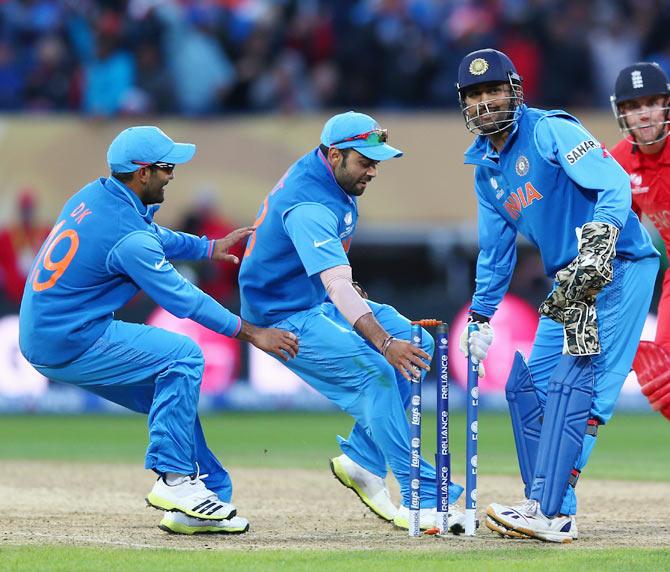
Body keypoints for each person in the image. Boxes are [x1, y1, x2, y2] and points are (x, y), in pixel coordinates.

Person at [18, 126, 298, 535]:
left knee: (169, 400)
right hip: (70, 337)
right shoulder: (128, 236)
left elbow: (151, 236)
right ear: (142, 173)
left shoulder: (97, 195)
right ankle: (175, 481)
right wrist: (252, 333)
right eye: (166, 167)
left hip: (47, 332)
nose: (173, 174)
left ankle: (205, 494)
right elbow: (186, 300)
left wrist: (206, 247)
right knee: (183, 356)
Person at [455, 49, 659, 543]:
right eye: (474, 96)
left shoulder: (550, 129)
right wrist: (481, 315)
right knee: (534, 391)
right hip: (569, 283)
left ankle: (552, 511)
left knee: (580, 396)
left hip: (619, 267)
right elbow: (496, 252)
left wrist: (600, 240)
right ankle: (546, 506)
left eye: (493, 91)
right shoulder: (486, 170)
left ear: (515, 90)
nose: (485, 103)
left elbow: (611, 180)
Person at [238, 111, 465, 532]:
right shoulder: (310, 204)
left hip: (311, 298)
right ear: (336, 154)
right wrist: (382, 342)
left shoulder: (329, 174)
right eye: (366, 161)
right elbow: (338, 285)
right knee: (380, 373)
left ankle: (362, 460)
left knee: (417, 343)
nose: (374, 171)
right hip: (283, 318)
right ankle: (426, 495)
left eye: (377, 161)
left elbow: (331, 274)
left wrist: (352, 299)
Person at [610, 62, 670, 421]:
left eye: (651, 103)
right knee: (661, 379)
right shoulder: (619, 162)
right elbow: (617, 235)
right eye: (633, 107)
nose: (643, 114)